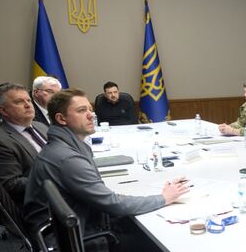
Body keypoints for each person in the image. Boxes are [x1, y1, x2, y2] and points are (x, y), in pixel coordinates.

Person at [23, 88, 189, 234]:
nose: (91, 115)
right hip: (74, 238)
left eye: (90, 109)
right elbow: (112, 204)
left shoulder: (70, 146)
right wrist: (163, 198)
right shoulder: (67, 158)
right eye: (82, 110)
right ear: (61, 119)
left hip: (75, 226)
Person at [0, 82, 48, 205]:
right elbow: (12, 184)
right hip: (40, 201)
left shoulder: (41, 126)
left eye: (29, 100)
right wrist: (55, 178)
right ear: (4, 110)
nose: (28, 105)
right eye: (19, 102)